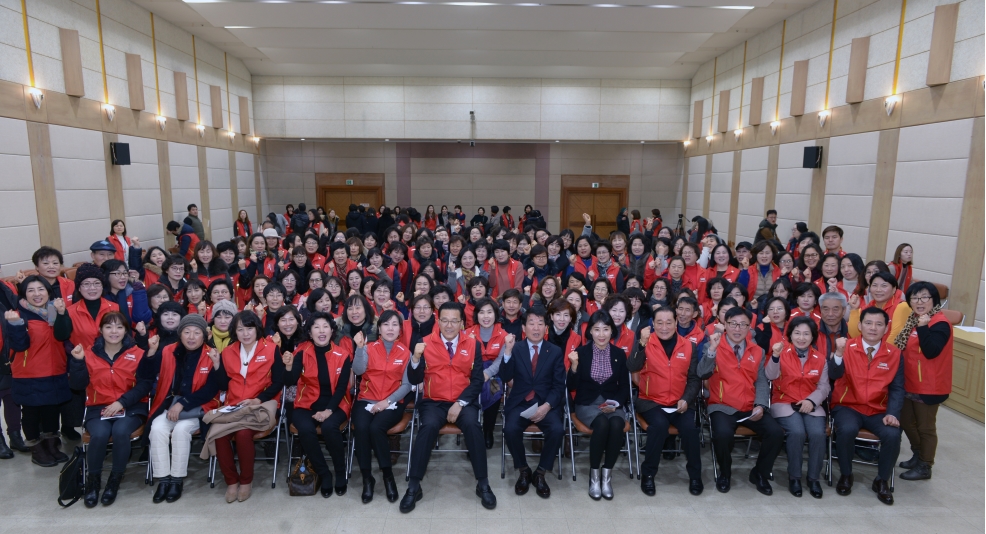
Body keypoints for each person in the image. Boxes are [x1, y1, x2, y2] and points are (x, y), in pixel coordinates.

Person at [402, 302, 496, 513]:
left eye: (455, 321)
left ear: (462, 323)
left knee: (473, 426)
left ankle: (483, 483)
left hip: (464, 401)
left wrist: (460, 403)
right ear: (438, 321)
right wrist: (415, 358)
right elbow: (414, 379)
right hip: (433, 401)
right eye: (445, 320)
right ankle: (413, 486)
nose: (449, 325)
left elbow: (476, 381)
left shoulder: (473, 345)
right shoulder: (424, 343)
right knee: (427, 428)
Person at [68, 312, 154, 507]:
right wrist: (78, 362)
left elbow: (145, 384)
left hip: (131, 407)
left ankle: (114, 479)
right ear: (100, 330)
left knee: (121, 431)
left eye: (119, 327)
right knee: (99, 434)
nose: (113, 331)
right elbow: (78, 385)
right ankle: (93, 481)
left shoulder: (139, 353)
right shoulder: (88, 353)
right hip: (98, 408)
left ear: (126, 330)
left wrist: (121, 403)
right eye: (108, 327)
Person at [698, 307, 783, 495]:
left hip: (749, 405)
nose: (738, 329)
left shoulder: (758, 351)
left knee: (776, 432)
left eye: (743, 324)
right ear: (725, 325)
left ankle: (759, 473)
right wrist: (712, 350)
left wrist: (760, 404)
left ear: (749, 327)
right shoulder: (712, 345)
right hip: (722, 405)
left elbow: (761, 380)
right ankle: (725, 473)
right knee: (722, 434)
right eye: (733, 324)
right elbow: (702, 373)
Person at [829, 307, 903, 505]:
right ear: (860, 325)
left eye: (879, 324)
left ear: (886, 328)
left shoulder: (894, 354)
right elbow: (833, 375)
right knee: (846, 429)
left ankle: (881, 481)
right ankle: (846, 475)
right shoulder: (846, 347)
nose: (873, 328)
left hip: (878, 410)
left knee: (893, 434)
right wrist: (837, 352)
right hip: (848, 405)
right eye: (868, 323)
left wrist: (893, 413)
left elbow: (897, 389)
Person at [146, 314, 223, 504]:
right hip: (170, 405)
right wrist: (151, 352)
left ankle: (177, 480)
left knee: (181, 431)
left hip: (196, 407)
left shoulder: (210, 354)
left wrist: (184, 403)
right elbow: (145, 374)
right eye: (186, 332)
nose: (191, 336)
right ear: (180, 334)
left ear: (203, 336)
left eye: (196, 332)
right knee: (157, 429)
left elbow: (212, 389)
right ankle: (163, 479)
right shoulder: (168, 351)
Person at [628, 307, 703, 496]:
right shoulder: (646, 342)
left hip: (680, 402)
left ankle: (695, 476)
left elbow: (694, 379)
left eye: (669, 322)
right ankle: (648, 475)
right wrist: (641, 345)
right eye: (659, 323)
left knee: (690, 430)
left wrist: (686, 399)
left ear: (676, 322)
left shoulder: (689, 346)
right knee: (659, 427)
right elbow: (632, 367)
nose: (664, 327)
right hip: (651, 401)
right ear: (652, 324)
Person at [213, 311, 286, 503]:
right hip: (234, 405)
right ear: (234, 331)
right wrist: (216, 365)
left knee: (243, 434)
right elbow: (222, 384)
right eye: (240, 329)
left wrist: (258, 399)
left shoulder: (270, 349)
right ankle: (231, 481)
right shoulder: (227, 352)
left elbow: (278, 382)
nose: (245, 333)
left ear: (257, 329)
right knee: (219, 434)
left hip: (262, 404)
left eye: (249, 328)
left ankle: (246, 481)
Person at [3, 276, 72, 467]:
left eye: (41, 289)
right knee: (32, 414)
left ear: (48, 291)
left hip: (55, 369)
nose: (36, 294)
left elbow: (63, 335)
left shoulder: (54, 311)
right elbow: (19, 345)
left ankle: (51, 446)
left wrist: (62, 314)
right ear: (23, 294)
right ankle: (37, 449)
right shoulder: (18, 315)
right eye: (31, 290)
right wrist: (15, 325)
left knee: (52, 411)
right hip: (29, 373)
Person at [283, 312, 353, 498]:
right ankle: (324, 474)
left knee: (330, 427)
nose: (321, 331)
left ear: (332, 330)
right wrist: (288, 366)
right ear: (310, 332)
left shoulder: (342, 355)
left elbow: (341, 389)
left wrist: (328, 410)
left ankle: (340, 472)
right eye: (316, 327)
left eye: (325, 327)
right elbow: (290, 380)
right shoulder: (302, 352)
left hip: (336, 404)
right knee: (305, 429)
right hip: (306, 404)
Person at [499, 308, 566, 499]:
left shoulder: (554, 351)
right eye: (531, 323)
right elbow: (505, 377)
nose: (535, 328)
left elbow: (558, 386)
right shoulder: (516, 348)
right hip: (520, 402)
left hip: (545, 403)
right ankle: (524, 470)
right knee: (510, 429)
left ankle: (541, 473)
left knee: (557, 430)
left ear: (546, 327)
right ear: (523, 327)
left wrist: (546, 407)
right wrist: (508, 351)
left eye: (540, 323)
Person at [567, 310, 630, 500]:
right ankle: (594, 477)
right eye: (597, 329)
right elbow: (571, 386)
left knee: (617, 424)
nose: (601, 334)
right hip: (587, 403)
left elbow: (624, 387)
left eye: (606, 329)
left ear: (612, 331)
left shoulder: (619, 354)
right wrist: (575, 367)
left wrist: (616, 403)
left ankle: (607, 476)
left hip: (612, 402)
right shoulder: (581, 353)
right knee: (602, 424)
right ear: (590, 332)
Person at [764, 316, 829, 499]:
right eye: (797, 333)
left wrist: (811, 401)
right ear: (790, 335)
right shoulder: (780, 352)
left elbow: (824, 386)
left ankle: (813, 478)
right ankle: (795, 476)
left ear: (813, 337)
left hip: (811, 404)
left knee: (817, 433)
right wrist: (775, 356)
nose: (801, 337)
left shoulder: (820, 358)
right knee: (797, 432)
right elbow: (770, 375)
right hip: (784, 402)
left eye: (806, 334)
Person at [351, 310, 412, 503]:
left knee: (377, 428)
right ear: (379, 328)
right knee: (361, 428)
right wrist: (359, 349)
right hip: (366, 399)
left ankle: (388, 476)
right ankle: (367, 478)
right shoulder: (368, 348)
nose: (390, 328)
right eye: (386, 324)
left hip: (392, 402)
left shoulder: (406, 352)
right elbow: (358, 370)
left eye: (395, 324)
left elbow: (407, 385)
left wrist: (387, 402)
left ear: (400, 329)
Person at [894, 282, 951, 481]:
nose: (919, 302)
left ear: (934, 299)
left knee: (925, 427)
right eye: (914, 298)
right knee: (907, 421)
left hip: (930, 386)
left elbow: (931, 350)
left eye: (924, 297)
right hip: (910, 383)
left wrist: (924, 327)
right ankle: (918, 454)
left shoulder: (939, 323)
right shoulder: (914, 320)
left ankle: (925, 465)